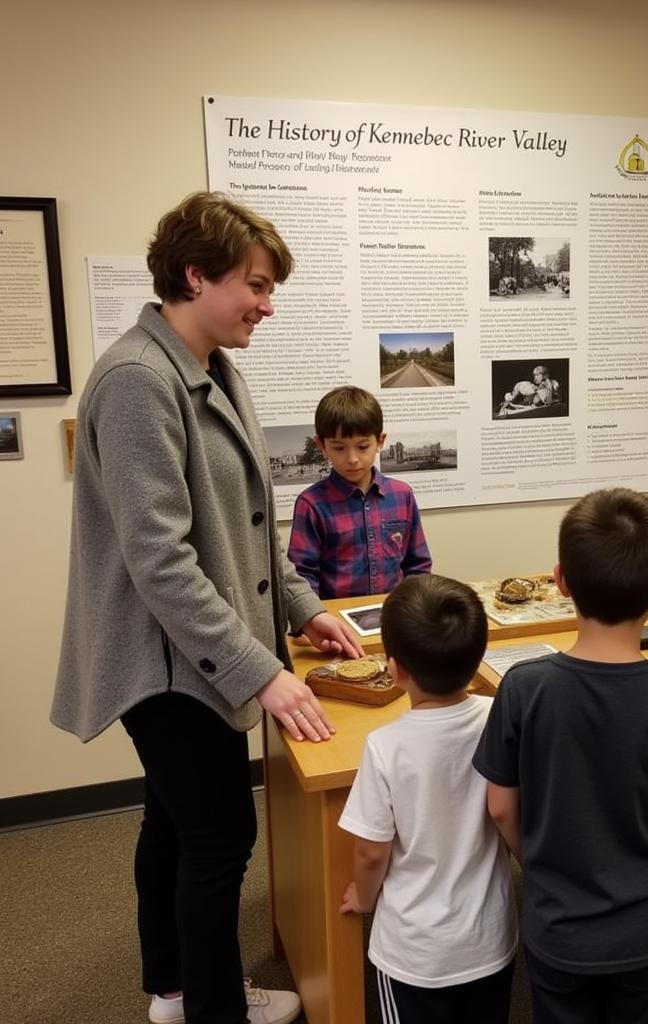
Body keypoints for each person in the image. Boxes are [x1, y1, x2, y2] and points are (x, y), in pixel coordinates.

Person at [50, 192, 362, 1024]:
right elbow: (162, 562)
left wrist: (302, 607)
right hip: (167, 664)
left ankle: (174, 988)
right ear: (196, 275)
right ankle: (216, 1008)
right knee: (219, 839)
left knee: (174, 822)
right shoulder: (137, 381)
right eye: (255, 285)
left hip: (195, 651)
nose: (267, 303)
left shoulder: (214, 367)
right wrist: (264, 675)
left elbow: (246, 523)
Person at [474, 487, 648, 1023]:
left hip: (557, 929)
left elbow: (500, 808)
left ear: (561, 580)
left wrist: (539, 867)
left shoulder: (522, 690)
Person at [339, 574, 517, 1023]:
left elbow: (370, 850)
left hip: (413, 954)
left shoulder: (385, 746)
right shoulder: (498, 717)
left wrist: (362, 899)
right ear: (480, 658)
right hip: (490, 938)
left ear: (394, 669)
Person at [287, 385, 431, 598]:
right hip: (335, 622)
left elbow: (417, 565)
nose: (352, 459)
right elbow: (302, 575)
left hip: (394, 617)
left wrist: (413, 610)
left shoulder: (402, 495)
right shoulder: (311, 504)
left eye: (363, 447)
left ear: (380, 442)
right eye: (339, 448)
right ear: (321, 445)